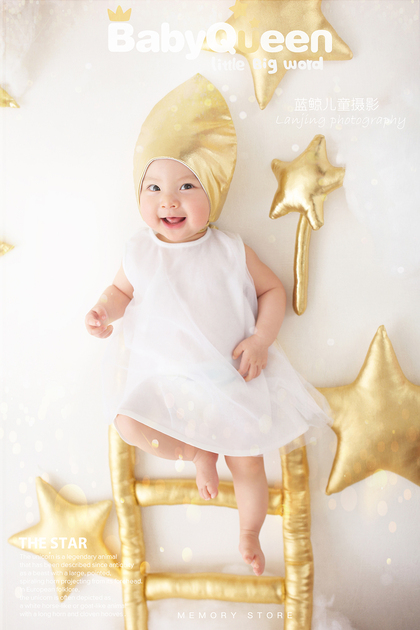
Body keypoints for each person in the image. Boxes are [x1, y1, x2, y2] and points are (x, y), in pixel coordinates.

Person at [85, 75, 332, 577]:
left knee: (248, 462)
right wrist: (103, 312)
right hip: (166, 382)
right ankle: (194, 450)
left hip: (229, 379)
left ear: (212, 194)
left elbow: (273, 292)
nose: (168, 201)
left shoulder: (230, 250)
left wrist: (260, 339)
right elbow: (119, 293)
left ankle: (249, 532)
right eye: (154, 188)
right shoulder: (139, 251)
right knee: (126, 421)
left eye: (186, 186)